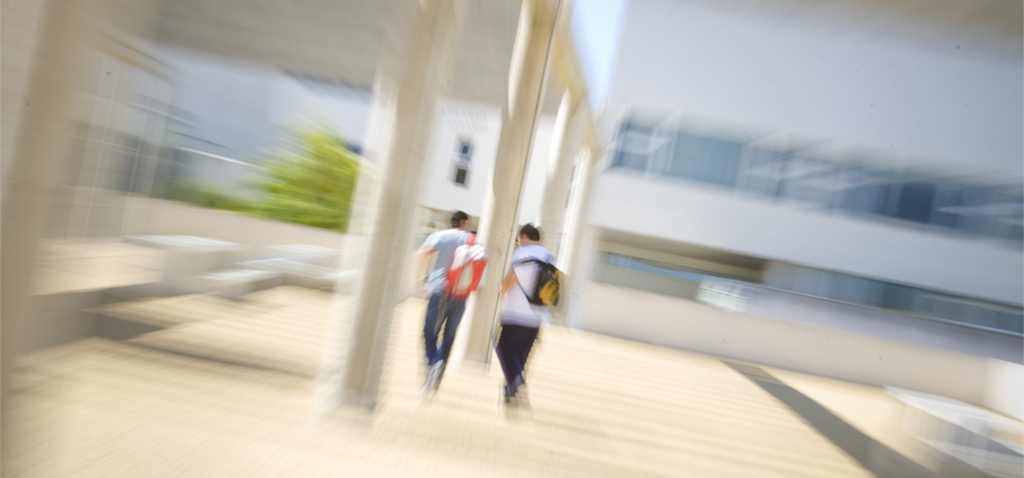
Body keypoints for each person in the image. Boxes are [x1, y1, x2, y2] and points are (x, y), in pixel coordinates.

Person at [496, 223, 553, 410]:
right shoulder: (548, 257)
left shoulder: (523, 253)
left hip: (515, 314)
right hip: (536, 318)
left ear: (524, 237)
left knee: (503, 348)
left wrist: (502, 289)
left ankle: (517, 382)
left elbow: (512, 277)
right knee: (520, 357)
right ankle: (510, 394)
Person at [416, 210, 472, 395]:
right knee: (449, 336)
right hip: (461, 294)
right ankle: (436, 376)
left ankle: (433, 363)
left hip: (439, 290)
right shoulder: (472, 241)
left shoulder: (440, 236)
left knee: (429, 332)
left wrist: (422, 277)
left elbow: (422, 253)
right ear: (464, 222)